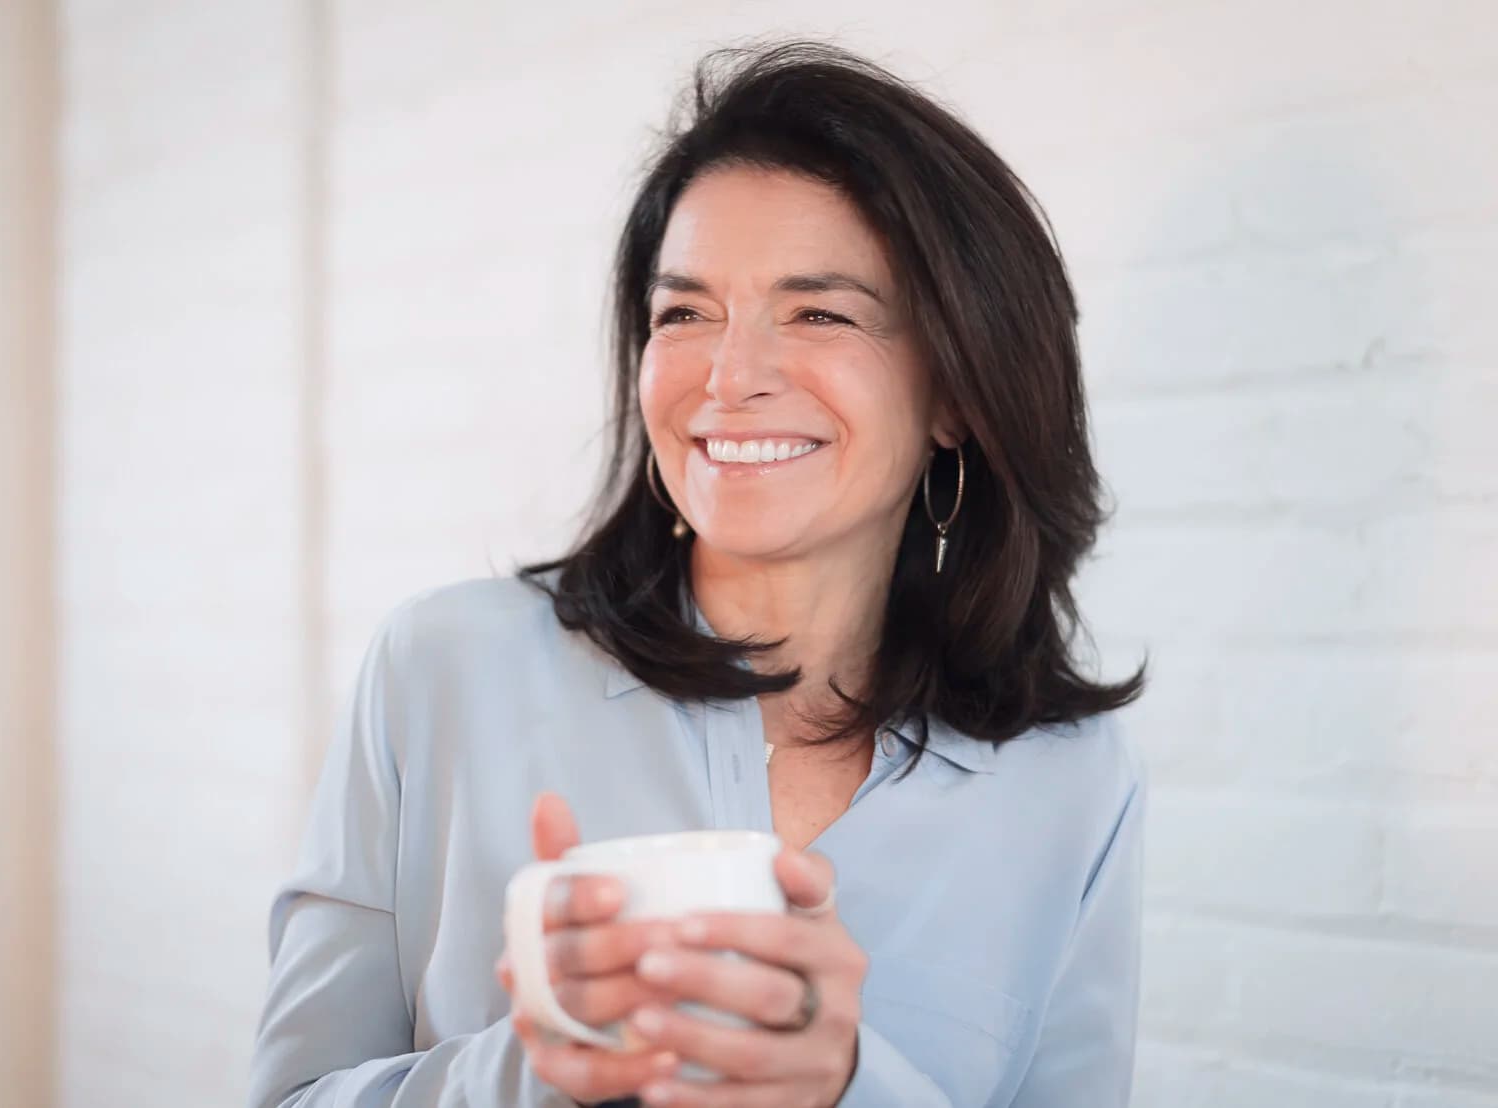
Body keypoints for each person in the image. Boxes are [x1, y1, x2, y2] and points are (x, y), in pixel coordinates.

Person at [249, 40, 1147, 1108]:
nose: (729, 377)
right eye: (683, 312)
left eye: (818, 312)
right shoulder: (444, 669)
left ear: (958, 389)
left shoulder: (1070, 779)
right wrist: (539, 1067)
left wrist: (846, 1085)